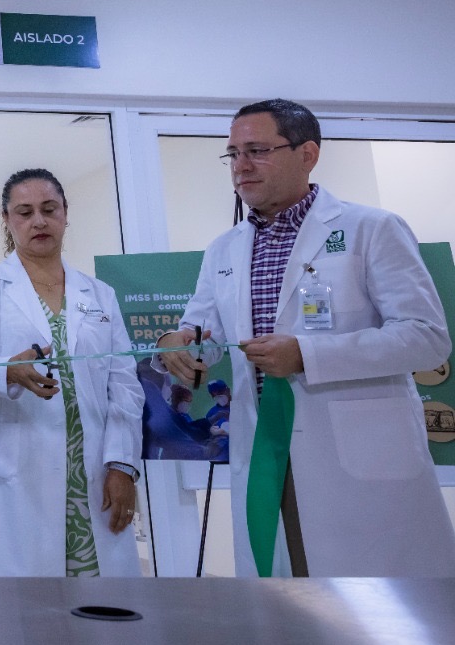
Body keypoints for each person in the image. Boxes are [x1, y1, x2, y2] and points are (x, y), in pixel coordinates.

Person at [159, 99, 455, 577]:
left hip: (355, 452)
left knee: (378, 601)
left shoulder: (371, 229)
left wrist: (307, 354)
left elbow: (426, 337)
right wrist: (178, 342)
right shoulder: (224, 249)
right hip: (265, 448)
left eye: (257, 151)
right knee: (285, 596)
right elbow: (203, 335)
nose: (241, 166)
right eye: (233, 154)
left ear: (308, 154)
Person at [0, 168, 144, 577]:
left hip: (91, 469)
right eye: (24, 212)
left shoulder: (99, 295)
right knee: (19, 604)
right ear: (7, 220)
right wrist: (8, 371)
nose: (38, 221)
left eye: (49, 209)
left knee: (96, 599)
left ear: (65, 214)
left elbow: (124, 386)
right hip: (15, 472)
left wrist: (122, 464)